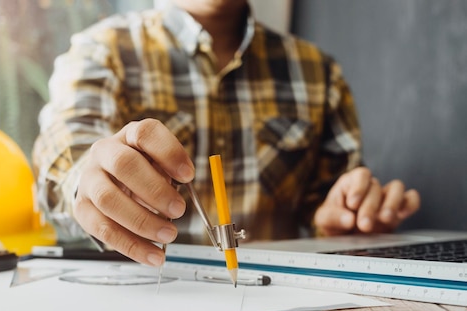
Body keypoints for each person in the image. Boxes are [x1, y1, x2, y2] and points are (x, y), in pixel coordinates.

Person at [32, 0, 420, 267]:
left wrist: (345, 219)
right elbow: (68, 155)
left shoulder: (317, 72)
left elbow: (329, 204)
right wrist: (87, 182)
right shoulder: (102, 52)